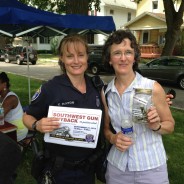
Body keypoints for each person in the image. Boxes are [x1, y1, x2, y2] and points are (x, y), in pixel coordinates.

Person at [22, 34, 104, 184]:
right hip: (58, 171)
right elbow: (27, 116)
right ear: (62, 58)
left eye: (80, 55)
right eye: (70, 56)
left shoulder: (96, 87)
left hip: (87, 169)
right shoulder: (50, 88)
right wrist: (36, 125)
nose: (76, 61)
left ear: (87, 57)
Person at [101, 30, 175, 184]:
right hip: (117, 169)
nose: (123, 58)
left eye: (128, 52)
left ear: (134, 57)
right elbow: (106, 129)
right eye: (117, 53)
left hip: (151, 168)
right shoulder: (106, 92)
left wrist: (156, 126)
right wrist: (113, 138)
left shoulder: (152, 87)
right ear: (109, 59)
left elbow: (170, 125)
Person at [0, 72, 28, 142]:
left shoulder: (11, 98)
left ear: (4, 84)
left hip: (17, 130)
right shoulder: (1, 96)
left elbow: (0, 117)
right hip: (6, 127)